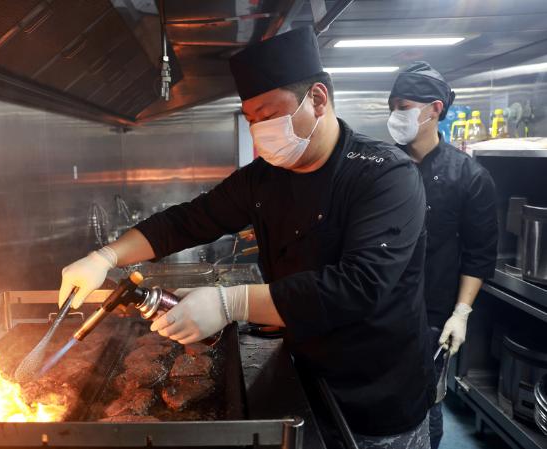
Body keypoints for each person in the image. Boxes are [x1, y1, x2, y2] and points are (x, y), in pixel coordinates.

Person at [59, 27, 435, 448]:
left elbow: (359, 286)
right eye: (251, 118)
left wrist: (231, 302)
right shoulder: (265, 178)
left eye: (268, 114)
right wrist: (107, 256)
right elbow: (188, 221)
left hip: (376, 393)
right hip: (302, 371)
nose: (260, 130)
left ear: (317, 98)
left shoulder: (385, 175)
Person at [387, 62, 498, 449]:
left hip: (431, 315)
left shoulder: (469, 177)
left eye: (403, 106)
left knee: (424, 405)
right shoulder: (380, 164)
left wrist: (461, 313)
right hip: (375, 308)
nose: (395, 115)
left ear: (434, 108)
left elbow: (480, 253)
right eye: (392, 106)